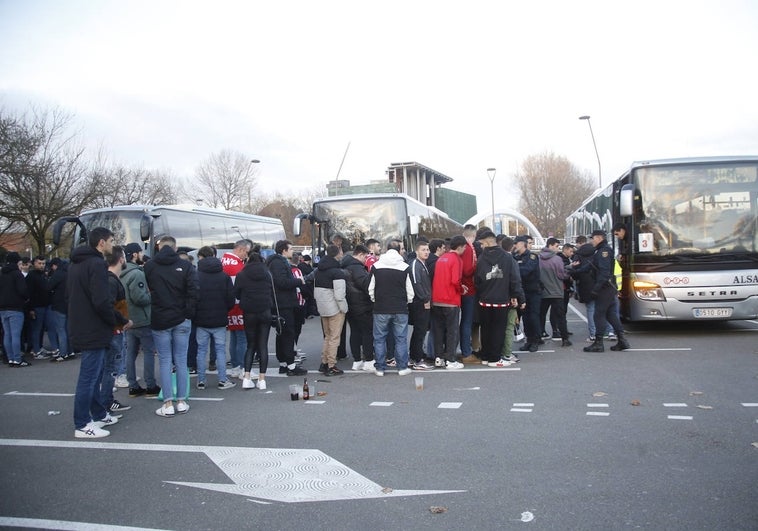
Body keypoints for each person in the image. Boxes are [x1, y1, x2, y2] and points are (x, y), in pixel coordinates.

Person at [68, 227, 123, 438]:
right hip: (94, 327)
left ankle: (98, 414)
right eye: (110, 241)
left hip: (82, 324)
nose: (112, 245)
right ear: (101, 243)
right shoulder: (97, 264)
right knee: (89, 377)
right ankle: (82, 423)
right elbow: (101, 301)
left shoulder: (76, 264)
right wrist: (116, 321)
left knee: (94, 373)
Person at [144, 235, 198, 417]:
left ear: (159, 248)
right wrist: (188, 313)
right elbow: (194, 291)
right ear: (175, 248)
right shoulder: (187, 266)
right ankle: (181, 401)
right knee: (181, 361)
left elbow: (148, 289)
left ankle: (167, 403)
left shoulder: (150, 266)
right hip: (182, 318)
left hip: (160, 318)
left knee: (165, 361)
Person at [475, 230, 524, 366]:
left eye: (481, 244)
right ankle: (495, 358)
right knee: (498, 329)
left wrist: (482, 292)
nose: (481, 246)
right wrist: (515, 295)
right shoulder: (507, 258)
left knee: (485, 329)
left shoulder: (481, 258)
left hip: (484, 300)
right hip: (501, 299)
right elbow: (514, 279)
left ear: (487, 242)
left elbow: (477, 279)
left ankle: (485, 356)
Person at [367, 239, 414, 377]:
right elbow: (410, 290)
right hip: (400, 308)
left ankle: (380, 368)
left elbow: (371, 288)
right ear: (399, 250)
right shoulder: (405, 267)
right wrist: (407, 301)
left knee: (379, 338)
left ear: (386, 249)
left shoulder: (376, 266)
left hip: (381, 307)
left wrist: (375, 300)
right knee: (400, 338)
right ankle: (402, 367)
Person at [120, 242, 160, 397]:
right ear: (135, 254)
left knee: (131, 352)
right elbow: (139, 298)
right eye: (140, 253)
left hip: (128, 318)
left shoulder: (123, 273)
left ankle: (133, 385)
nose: (142, 256)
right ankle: (150, 385)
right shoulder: (137, 273)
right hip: (141, 319)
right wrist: (152, 295)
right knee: (149, 352)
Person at [194, 246, 236, 390]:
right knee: (220, 350)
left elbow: (193, 297)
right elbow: (231, 298)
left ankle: (201, 380)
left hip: (201, 319)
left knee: (201, 351)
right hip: (219, 319)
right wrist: (225, 310)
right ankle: (223, 379)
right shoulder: (223, 276)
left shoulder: (196, 275)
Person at [583, 230, 631, 352]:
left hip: (605, 288)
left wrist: (596, 289)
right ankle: (622, 340)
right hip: (608, 288)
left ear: (599, 238)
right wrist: (573, 270)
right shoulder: (600, 250)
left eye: (592, 238)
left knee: (598, 314)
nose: (591, 241)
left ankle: (598, 343)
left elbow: (604, 274)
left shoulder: (603, 251)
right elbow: (589, 266)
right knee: (610, 314)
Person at [267, 240, 307, 376]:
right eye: (290, 249)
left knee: (282, 333)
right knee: (288, 333)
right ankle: (290, 365)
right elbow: (281, 282)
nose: (292, 251)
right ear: (283, 250)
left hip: (282, 303)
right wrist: (298, 281)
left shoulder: (277, 262)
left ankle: (283, 363)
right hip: (283, 304)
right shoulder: (278, 263)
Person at [102, 246, 133, 414]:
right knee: (110, 368)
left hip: (115, 328)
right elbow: (108, 306)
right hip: (114, 330)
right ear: (121, 259)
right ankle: (106, 402)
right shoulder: (111, 281)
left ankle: (106, 401)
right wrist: (123, 321)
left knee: (110, 368)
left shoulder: (111, 279)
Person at [235, 252, 273, 390]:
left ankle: (246, 377)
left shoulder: (242, 274)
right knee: (263, 345)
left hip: (249, 312)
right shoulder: (267, 274)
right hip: (265, 311)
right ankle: (262, 380)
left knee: (250, 345)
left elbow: (237, 293)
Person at [431, 235, 468, 370]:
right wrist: (461, 289)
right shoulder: (456, 259)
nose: (465, 249)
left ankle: (438, 358)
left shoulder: (441, 258)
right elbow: (455, 280)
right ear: (460, 247)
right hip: (451, 300)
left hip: (437, 299)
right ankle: (451, 359)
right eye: (464, 247)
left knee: (439, 330)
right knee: (452, 331)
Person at [314, 244, 348, 376]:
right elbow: (339, 295)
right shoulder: (337, 272)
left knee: (327, 337)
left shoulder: (319, 270)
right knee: (335, 338)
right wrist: (344, 308)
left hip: (323, 307)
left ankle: (324, 362)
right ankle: (331, 365)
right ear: (337, 254)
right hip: (334, 308)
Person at [221, 239, 252, 378]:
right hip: (238, 305)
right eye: (247, 252)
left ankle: (235, 365)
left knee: (234, 337)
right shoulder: (238, 266)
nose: (247, 256)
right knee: (242, 338)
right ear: (241, 250)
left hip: (227, 305)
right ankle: (241, 366)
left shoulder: (223, 261)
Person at [341, 244, 375, 371]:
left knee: (354, 332)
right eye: (365, 257)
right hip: (362, 304)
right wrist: (371, 275)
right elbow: (365, 284)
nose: (366, 260)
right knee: (367, 333)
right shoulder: (357, 268)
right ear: (360, 255)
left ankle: (357, 360)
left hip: (350, 304)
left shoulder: (344, 265)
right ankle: (369, 360)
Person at [538, 238, 571, 347]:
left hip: (543, 292)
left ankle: (540, 335)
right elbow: (562, 275)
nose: (558, 248)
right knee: (560, 316)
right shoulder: (557, 259)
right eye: (557, 246)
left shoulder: (538, 258)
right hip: (557, 291)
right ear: (551, 246)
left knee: (541, 315)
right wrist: (569, 270)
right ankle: (564, 338)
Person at [0, 252, 31, 367]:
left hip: (2, 308)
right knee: (16, 335)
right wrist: (26, 298)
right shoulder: (17, 274)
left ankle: (10, 358)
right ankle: (18, 359)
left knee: (7, 334)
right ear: (17, 261)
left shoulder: (2, 274)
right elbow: (23, 290)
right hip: (15, 308)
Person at [513, 235, 541, 353]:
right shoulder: (515, 256)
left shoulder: (532, 256)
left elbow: (526, 271)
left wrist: (514, 269)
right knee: (525, 317)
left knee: (534, 317)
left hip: (533, 292)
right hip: (523, 292)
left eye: (517, 243)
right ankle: (529, 340)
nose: (515, 245)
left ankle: (536, 340)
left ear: (522, 244)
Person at [408, 240, 432, 370]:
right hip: (419, 303)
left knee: (420, 332)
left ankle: (414, 357)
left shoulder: (423, 264)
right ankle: (417, 360)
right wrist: (425, 299)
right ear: (417, 251)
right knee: (419, 332)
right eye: (423, 250)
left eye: (427, 249)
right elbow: (416, 284)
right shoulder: (415, 264)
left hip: (422, 302)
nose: (426, 252)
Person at [459, 225, 478, 363]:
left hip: (464, 287)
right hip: (468, 288)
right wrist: (477, 268)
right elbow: (466, 270)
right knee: (467, 321)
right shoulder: (468, 248)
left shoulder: (463, 247)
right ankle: (466, 352)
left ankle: (466, 350)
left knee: (464, 321)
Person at [26, 255, 51, 359]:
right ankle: (36, 350)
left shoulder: (43, 275)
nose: (42, 266)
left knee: (40, 329)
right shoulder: (31, 276)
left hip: (44, 305)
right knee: (36, 329)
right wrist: (31, 308)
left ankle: (39, 347)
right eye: (39, 263)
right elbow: (29, 293)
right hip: (36, 306)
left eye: (43, 263)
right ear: (34, 263)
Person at [46, 257, 70, 362]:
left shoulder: (57, 274)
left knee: (60, 330)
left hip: (58, 305)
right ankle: (70, 351)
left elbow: (48, 287)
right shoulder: (69, 273)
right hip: (69, 304)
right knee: (68, 329)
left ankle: (63, 353)